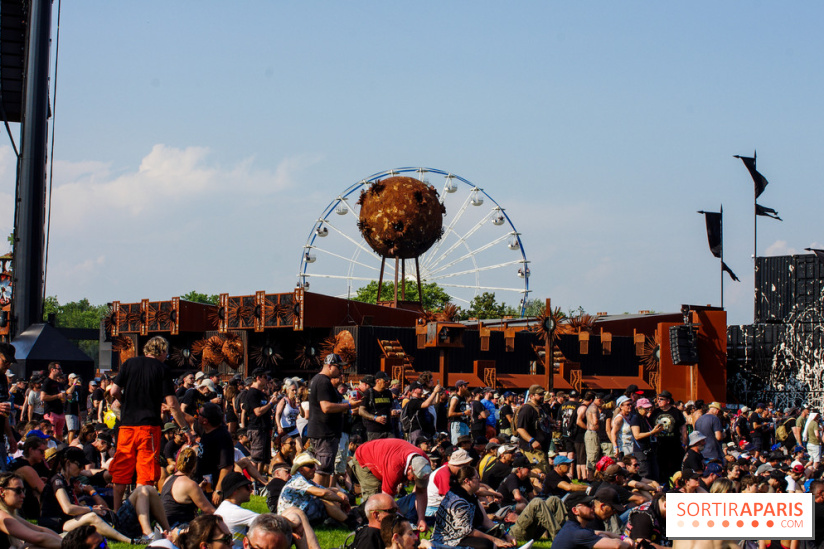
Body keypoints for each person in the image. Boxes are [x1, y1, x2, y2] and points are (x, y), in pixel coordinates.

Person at [109, 336, 190, 511]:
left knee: (121, 470)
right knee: (145, 473)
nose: (165, 357)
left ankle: (116, 512)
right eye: (166, 354)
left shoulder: (129, 363)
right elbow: (172, 404)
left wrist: (125, 402)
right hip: (149, 427)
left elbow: (114, 390)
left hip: (126, 425)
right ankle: (138, 514)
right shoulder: (162, 369)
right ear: (161, 351)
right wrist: (185, 428)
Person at [40, 447, 159, 544]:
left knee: (144, 490)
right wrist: (92, 509)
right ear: (67, 463)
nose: (82, 468)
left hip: (68, 521)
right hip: (57, 524)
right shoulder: (57, 481)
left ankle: (161, 530)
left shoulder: (70, 481)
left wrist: (93, 499)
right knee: (92, 516)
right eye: (79, 465)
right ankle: (131, 541)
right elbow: (68, 508)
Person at [353, 438, 431, 532]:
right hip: (365, 457)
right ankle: (360, 524)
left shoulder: (424, 462)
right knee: (376, 503)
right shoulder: (395, 467)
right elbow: (387, 501)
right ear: (410, 468)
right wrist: (404, 523)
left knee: (387, 510)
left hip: (384, 457)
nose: (414, 482)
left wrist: (421, 519)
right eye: (414, 478)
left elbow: (421, 492)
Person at [307, 354, 360, 487]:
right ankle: (317, 500)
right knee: (322, 469)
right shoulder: (323, 381)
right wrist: (349, 405)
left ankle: (323, 500)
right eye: (338, 367)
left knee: (326, 470)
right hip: (324, 432)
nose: (341, 371)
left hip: (325, 432)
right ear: (330, 366)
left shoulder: (320, 380)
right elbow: (326, 407)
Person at [431, 466, 513, 549]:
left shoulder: (471, 495)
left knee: (499, 538)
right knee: (488, 544)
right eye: (477, 478)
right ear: (467, 481)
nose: (480, 480)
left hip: (465, 533)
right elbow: (467, 532)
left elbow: (486, 522)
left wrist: (505, 535)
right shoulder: (459, 502)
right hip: (449, 538)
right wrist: (494, 540)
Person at [277, 453, 348, 525]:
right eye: (311, 466)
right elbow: (323, 493)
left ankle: (346, 519)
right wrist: (342, 500)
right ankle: (350, 522)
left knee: (329, 498)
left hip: (298, 514)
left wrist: (340, 493)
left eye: (314, 466)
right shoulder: (297, 480)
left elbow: (328, 490)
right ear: (301, 470)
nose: (315, 469)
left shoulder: (307, 480)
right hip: (291, 518)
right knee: (324, 501)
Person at [0, 472, 63, 549]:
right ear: (2, 491)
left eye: (23, 490)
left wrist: (63, 541)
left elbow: (40, 530)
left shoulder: (11, 515)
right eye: (18, 490)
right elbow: (38, 537)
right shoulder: (2, 517)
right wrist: (68, 545)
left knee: (33, 545)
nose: (23, 495)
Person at [551, 492, 630, 549]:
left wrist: (623, 537)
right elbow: (617, 545)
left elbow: (601, 532)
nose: (593, 507)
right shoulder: (579, 533)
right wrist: (630, 543)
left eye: (592, 503)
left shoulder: (572, 527)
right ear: (575, 510)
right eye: (588, 504)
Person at [161, 447, 216, 528]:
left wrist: (199, 489)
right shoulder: (190, 484)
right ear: (194, 465)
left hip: (164, 526)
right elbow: (210, 510)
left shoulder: (168, 479)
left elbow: (179, 498)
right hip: (179, 528)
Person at [196, 403, 235, 505]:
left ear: (205, 421)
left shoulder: (222, 437)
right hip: (205, 482)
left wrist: (218, 490)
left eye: (199, 414)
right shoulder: (206, 429)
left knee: (214, 516)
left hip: (215, 485)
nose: (197, 416)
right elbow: (189, 420)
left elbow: (227, 466)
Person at [650, 390, 687, 483]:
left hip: (674, 445)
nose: (659, 401)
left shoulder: (676, 412)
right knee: (661, 467)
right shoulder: (655, 412)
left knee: (674, 468)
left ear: (668, 401)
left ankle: (675, 485)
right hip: (659, 445)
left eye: (661, 399)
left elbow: (683, 428)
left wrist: (684, 443)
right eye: (658, 399)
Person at [214, 472, 259, 546]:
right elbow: (269, 522)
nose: (251, 491)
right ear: (235, 490)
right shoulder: (234, 512)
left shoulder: (223, 508)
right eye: (247, 487)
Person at [243, 369, 275, 471]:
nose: (267, 380)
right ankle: (254, 483)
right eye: (265, 377)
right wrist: (270, 404)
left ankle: (259, 479)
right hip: (256, 428)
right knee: (256, 458)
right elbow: (258, 412)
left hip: (264, 428)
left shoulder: (260, 393)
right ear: (258, 378)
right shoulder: (252, 393)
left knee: (262, 459)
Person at [516, 384, 549, 473]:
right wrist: (532, 440)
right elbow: (520, 428)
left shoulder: (541, 408)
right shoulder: (527, 409)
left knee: (544, 471)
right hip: (532, 449)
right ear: (531, 396)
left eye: (543, 394)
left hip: (542, 448)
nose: (542, 397)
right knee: (540, 472)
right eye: (539, 395)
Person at [630, 398, 663, 481]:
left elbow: (650, 433)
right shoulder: (636, 418)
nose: (648, 410)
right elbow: (637, 435)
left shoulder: (646, 419)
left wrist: (657, 431)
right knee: (645, 474)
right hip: (641, 451)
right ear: (639, 408)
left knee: (655, 474)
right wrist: (652, 432)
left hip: (650, 449)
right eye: (646, 409)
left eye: (649, 408)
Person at [359, 372, 394, 441]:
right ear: (377, 381)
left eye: (388, 380)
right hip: (374, 430)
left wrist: (393, 412)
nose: (388, 382)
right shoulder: (369, 393)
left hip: (388, 429)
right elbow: (361, 411)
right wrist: (375, 418)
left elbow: (390, 407)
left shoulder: (388, 393)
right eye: (385, 380)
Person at [447, 381, 471, 445]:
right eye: (465, 386)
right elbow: (450, 413)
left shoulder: (463, 398)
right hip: (456, 423)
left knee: (465, 443)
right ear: (459, 387)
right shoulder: (455, 398)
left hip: (464, 423)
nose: (466, 388)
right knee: (457, 443)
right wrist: (463, 413)